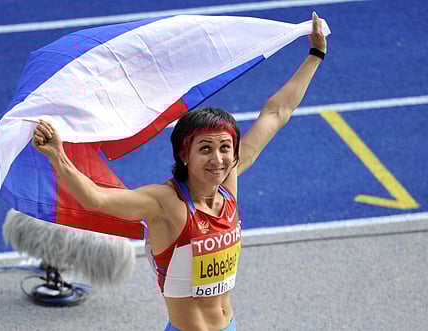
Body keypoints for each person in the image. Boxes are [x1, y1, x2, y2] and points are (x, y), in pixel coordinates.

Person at [32, 12, 327, 331]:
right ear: (184, 154)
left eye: (225, 148)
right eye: (205, 149)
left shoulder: (227, 188)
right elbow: (95, 200)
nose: (219, 159)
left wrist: (315, 55)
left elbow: (276, 113)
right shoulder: (165, 203)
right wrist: (57, 156)